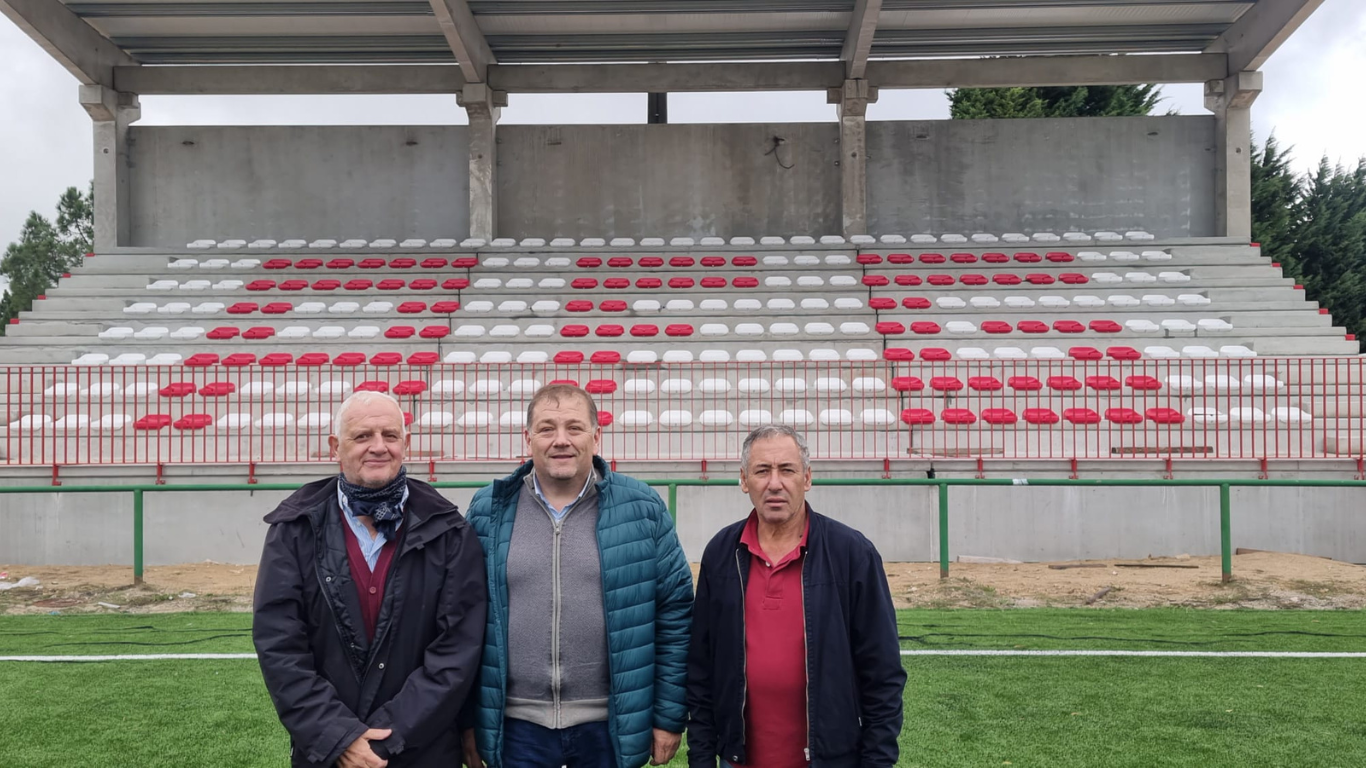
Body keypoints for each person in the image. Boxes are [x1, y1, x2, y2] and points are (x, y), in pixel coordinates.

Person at [461, 384, 693, 768]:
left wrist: (668, 717)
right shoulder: (489, 509)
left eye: (575, 427)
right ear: (528, 437)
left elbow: (674, 615)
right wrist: (469, 720)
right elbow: (466, 620)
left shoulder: (642, 508)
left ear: (596, 435)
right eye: (547, 428)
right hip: (517, 728)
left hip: (609, 727)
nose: (561, 440)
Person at [253, 390, 487, 768]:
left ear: (405, 444)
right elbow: (280, 647)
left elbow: (456, 653)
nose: (378, 447)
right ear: (336, 447)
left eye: (389, 436)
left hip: (423, 752)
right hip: (328, 756)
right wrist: (339, 737)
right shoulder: (293, 530)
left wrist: (381, 743)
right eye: (362, 436)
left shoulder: (450, 532)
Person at [686, 425, 906, 768]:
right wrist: (701, 758)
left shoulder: (852, 554)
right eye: (762, 471)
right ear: (744, 480)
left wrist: (877, 761)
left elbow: (883, 674)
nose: (775, 483)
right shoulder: (721, 553)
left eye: (787, 470)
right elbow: (701, 670)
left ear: (806, 478)